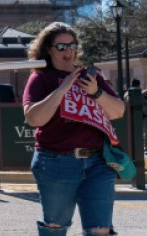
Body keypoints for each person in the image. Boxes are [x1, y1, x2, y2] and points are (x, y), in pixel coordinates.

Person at [22, 22, 124, 236]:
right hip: (56, 163)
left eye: (72, 45)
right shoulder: (40, 77)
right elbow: (34, 118)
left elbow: (118, 111)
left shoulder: (90, 76)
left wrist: (96, 92)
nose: (68, 51)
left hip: (98, 162)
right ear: (48, 49)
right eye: (61, 47)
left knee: (101, 230)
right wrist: (63, 88)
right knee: (56, 227)